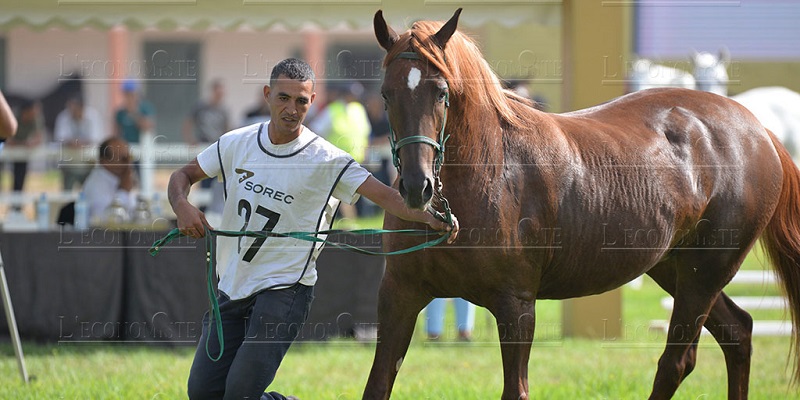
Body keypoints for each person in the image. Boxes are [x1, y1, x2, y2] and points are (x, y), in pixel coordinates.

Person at [168, 58, 458, 400]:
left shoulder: (327, 159)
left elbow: (388, 197)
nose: (292, 109)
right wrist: (182, 206)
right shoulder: (236, 143)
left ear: (312, 101)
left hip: (285, 290)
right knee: (203, 393)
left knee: (240, 394)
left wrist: (429, 216)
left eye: (301, 101)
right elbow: (181, 177)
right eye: (283, 98)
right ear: (267, 95)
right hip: (232, 287)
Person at [54, 96, 106, 191]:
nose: (72, 111)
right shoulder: (64, 117)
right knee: (67, 196)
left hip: (89, 165)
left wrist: (77, 143)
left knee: (91, 193)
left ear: (81, 107)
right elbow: (60, 138)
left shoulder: (93, 116)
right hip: (69, 165)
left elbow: (97, 139)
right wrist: (75, 143)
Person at [82, 137, 135, 223]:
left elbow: (132, 214)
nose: (129, 164)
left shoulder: (119, 179)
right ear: (105, 161)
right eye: (124, 159)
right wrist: (124, 191)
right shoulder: (96, 185)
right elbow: (107, 220)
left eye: (130, 158)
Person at [2, 100, 44, 197]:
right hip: (4, 148)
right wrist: (24, 144)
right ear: (26, 112)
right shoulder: (11, 116)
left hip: (20, 151)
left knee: (19, 177)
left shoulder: (36, 118)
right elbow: (6, 139)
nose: (34, 115)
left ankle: (16, 207)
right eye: (32, 112)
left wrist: (25, 144)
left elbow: (39, 138)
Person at [182, 79, 230, 145]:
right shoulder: (201, 107)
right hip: (202, 143)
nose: (219, 96)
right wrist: (190, 140)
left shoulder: (223, 110)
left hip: (216, 144)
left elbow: (227, 128)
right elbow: (188, 123)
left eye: (221, 94)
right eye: (217, 93)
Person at [114, 79, 155, 144]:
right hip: (126, 146)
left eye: (132, 94)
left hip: (142, 146)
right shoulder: (120, 113)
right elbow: (117, 133)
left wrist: (133, 113)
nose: (129, 97)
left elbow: (147, 127)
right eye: (127, 94)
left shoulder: (145, 108)